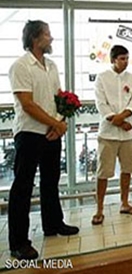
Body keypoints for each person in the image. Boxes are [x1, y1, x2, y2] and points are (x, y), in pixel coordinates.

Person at [8, 20, 79, 260]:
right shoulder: (21, 66)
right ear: (35, 38)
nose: (51, 38)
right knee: (23, 187)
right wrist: (55, 123)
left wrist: (60, 122)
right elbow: (27, 104)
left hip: (51, 133)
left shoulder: (52, 66)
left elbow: (59, 98)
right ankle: (19, 242)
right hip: (29, 133)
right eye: (47, 34)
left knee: (51, 181)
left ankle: (53, 224)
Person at [92, 45, 132, 226]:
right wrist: (119, 121)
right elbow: (101, 104)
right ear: (113, 60)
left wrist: (123, 117)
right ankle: (99, 209)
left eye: (127, 58)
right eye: (122, 58)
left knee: (127, 169)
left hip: (128, 134)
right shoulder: (102, 78)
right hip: (108, 133)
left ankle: (125, 203)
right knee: (103, 173)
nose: (125, 62)